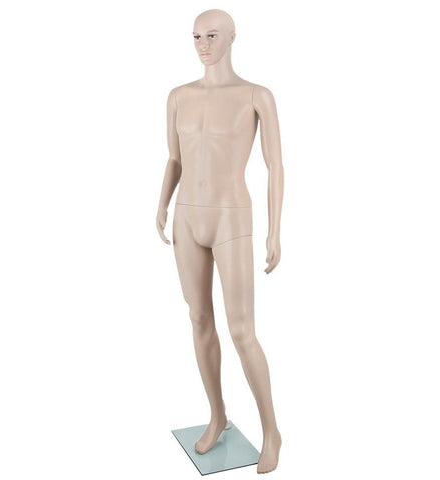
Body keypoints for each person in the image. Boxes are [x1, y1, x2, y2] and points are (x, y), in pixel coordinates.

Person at [156, 9, 284, 474]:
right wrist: (161, 203)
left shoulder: (256, 95)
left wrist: (274, 229)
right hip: (187, 216)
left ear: (232, 37)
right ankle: (217, 415)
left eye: (212, 35)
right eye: (196, 36)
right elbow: (174, 158)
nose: (203, 44)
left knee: (242, 330)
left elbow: (275, 165)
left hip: (231, 216)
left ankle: (272, 431)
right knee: (198, 317)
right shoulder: (178, 96)